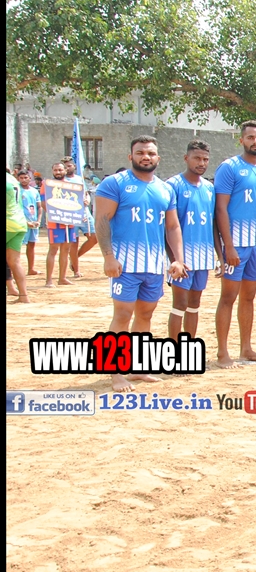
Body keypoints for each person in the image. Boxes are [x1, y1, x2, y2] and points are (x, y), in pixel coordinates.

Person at [94, 136, 187, 391]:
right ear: (130, 156)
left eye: (150, 153)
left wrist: (178, 259)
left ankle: (138, 368)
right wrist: (108, 257)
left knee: (145, 315)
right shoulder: (114, 184)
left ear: (158, 157)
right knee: (122, 316)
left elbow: (173, 226)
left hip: (154, 266)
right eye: (140, 153)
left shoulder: (165, 189)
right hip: (124, 265)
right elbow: (101, 221)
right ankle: (115, 373)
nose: (146, 157)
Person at [214, 120, 256, 367]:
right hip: (236, 245)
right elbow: (221, 208)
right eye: (250, 137)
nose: (255, 141)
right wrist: (228, 246)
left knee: (249, 297)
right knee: (228, 297)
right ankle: (222, 352)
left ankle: (246, 348)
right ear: (241, 140)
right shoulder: (229, 168)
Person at [166, 141, 218, 341]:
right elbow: (168, 227)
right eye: (197, 158)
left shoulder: (209, 188)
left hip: (203, 257)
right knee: (179, 304)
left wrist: (219, 256)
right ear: (186, 158)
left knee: (194, 304)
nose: (201, 163)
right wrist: (174, 259)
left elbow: (213, 224)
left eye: (205, 159)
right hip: (182, 258)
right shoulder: (173, 185)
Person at [41, 162, 76, 286]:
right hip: (54, 223)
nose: (58, 172)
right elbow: (43, 203)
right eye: (55, 170)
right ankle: (49, 280)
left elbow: (77, 201)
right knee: (53, 250)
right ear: (52, 171)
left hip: (69, 223)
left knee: (66, 250)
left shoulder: (72, 186)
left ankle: (62, 278)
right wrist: (56, 215)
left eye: (60, 170)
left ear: (65, 170)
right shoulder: (47, 184)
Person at [6, 168, 30, 303]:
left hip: (8, 222)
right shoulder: (12, 179)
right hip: (19, 222)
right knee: (15, 262)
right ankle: (23, 296)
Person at [17, 169, 41, 277]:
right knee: (16, 247)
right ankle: (13, 270)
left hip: (33, 222)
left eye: (25, 177)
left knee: (31, 245)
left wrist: (38, 220)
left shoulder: (34, 191)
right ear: (18, 179)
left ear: (30, 178)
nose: (23, 180)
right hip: (20, 223)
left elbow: (39, 207)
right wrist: (25, 222)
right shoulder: (17, 191)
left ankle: (31, 269)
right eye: (21, 178)